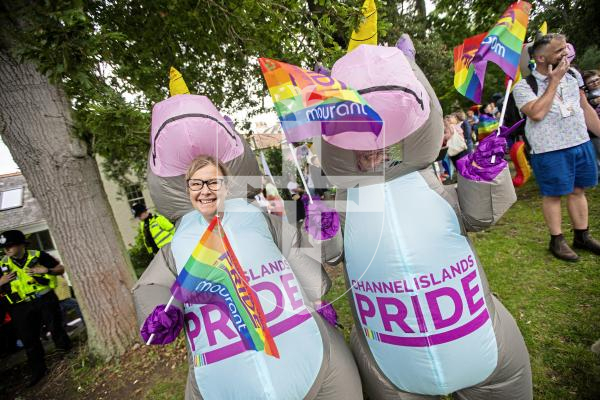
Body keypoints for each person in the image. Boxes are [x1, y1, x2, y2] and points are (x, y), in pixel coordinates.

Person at [135, 155, 361, 399]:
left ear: (227, 185)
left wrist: (322, 232)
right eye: (196, 184)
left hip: (303, 351)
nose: (205, 191)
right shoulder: (177, 246)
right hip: (225, 372)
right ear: (187, 188)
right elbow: (150, 285)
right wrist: (159, 315)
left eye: (213, 182)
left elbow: (303, 252)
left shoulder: (259, 220)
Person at [513, 33, 600, 261]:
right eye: (559, 51)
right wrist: (553, 81)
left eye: (565, 49)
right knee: (553, 195)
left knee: (578, 190)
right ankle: (556, 240)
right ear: (540, 58)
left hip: (579, 141)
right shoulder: (524, 87)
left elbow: (584, 106)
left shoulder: (573, 75)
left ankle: (582, 235)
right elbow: (537, 113)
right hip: (549, 149)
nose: (565, 54)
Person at [0, 230, 72, 386]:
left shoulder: (38, 255)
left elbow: (60, 269)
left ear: (21, 244)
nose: (7, 249)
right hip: (20, 307)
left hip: (44, 299)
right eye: (4, 247)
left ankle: (68, 357)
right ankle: (38, 371)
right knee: (29, 340)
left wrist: (47, 270)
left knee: (56, 329)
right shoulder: (2, 265)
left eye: (10, 245)